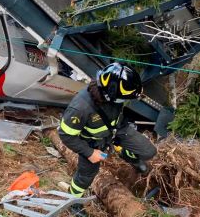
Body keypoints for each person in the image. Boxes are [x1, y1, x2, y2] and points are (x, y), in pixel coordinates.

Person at [58, 62, 157, 216]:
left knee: (148, 151)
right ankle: (73, 201)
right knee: (85, 176)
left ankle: (126, 154)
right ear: (109, 94)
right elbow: (65, 135)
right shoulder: (80, 108)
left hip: (117, 130)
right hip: (92, 143)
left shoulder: (115, 91)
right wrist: (90, 153)